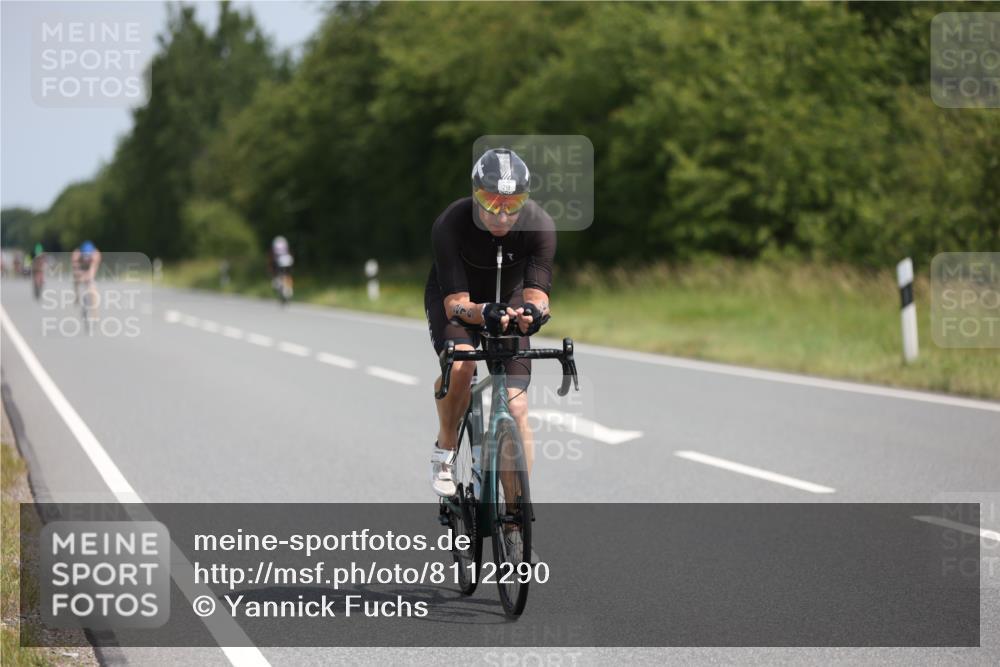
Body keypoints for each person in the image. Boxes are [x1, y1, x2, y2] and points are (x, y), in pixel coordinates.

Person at [426, 148, 556, 498]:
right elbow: (455, 305)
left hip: (509, 296)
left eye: (512, 204)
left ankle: (516, 517)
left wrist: (534, 314)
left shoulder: (539, 225)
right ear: (474, 195)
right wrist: (484, 313)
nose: (501, 213)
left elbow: (538, 294)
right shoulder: (451, 223)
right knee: (463, 367)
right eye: (490, 201)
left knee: (516, 407)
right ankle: (445, 449)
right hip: (457, 296)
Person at [72, 241, 101, 312]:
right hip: (81, 268)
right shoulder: (76, 255)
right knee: (76, 281)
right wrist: (80, 277)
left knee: (93, 287)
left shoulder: (96, 255)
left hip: (90, 268)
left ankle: (95, 311)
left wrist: (88, 278)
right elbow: (75, 270)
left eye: (88, 256)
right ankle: (77, 296)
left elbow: (93, 271)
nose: (86, 259)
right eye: (85, 256)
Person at [268, 235, 294, 300]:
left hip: (280, 263)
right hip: (286, 262)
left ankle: (285, 287)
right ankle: (287, 288)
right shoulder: (287, 253)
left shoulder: (276, 254)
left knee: (282, 275)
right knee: (287, 275)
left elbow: (272, 262)